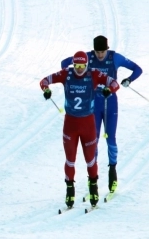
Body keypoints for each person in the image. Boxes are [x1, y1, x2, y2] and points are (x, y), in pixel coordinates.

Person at [60, 35, 142, 193]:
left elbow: (138, 69)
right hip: (93, 106)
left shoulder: (115, 57)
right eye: (97, 52)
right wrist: (75, 75)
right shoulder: (88, 57)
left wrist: (129, 80)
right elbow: (64, 64)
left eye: (102, 52)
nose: (100, 55)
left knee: (110, 137)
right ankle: (94, 180)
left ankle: (113, 170)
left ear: (107, 49)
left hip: (110, 103)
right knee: (94, 140)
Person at [41, 51, 120, 208]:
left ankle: (93, 189)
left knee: (90, 160)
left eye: (82, 66)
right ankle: (70, 191)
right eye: (76, 66)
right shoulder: (66, 73)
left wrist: (109, 90)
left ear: (86, 65)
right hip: (70, 124)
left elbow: (114, 83)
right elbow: (45, 80)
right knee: (70, 160)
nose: (78, 69)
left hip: (88, 124)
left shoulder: (94, 74)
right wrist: (46, 90)